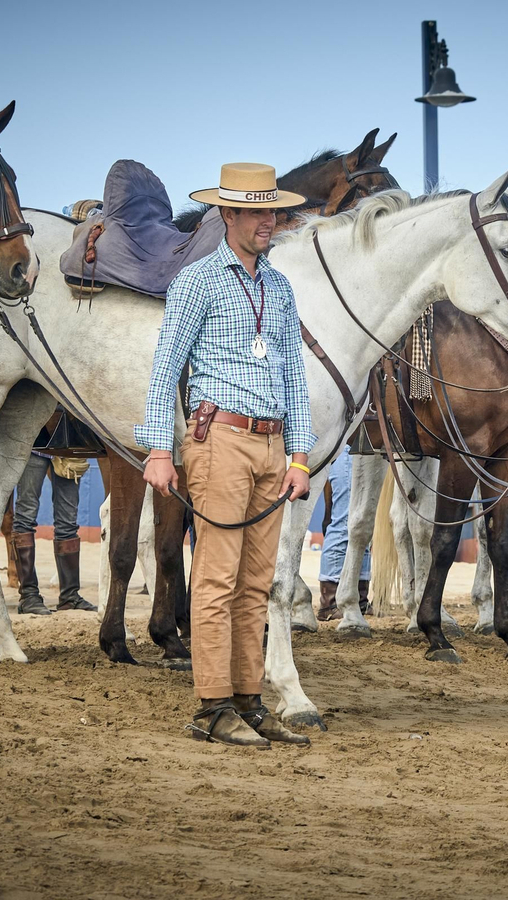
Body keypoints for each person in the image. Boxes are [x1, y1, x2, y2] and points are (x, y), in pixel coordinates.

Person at [137, 162, 313, 748]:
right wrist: (159, 449)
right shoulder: (197, 281)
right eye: (258, 213)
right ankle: (212, 707)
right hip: (219, 441)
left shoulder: (280, 288)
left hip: (272, 446)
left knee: (256, 583)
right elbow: (165, 369)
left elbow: (294, 376)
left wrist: (300, 456)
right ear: (227, 214)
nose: (269, 223)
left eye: (273, 212)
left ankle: (247, 701)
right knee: (216, 578)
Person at [12, 436, 97, 616]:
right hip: (34, 443)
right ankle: (28, 595)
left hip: (68, 446)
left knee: (68, 522)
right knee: (25, 517)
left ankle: (70, 596)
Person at [317, 447, 371, 620]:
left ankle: (360, 598)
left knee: (363, 527)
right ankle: (330, 601)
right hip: (350, 447)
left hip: (367, 448)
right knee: (344, 522)